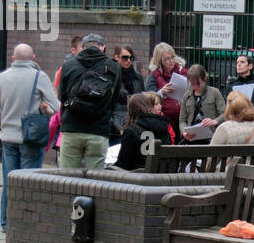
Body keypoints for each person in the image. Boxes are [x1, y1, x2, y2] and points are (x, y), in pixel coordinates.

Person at [0, 43, 59, 231]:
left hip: (8, 138)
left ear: (13, 59)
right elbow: (55, 107)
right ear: (34, 58)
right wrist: (43, 109)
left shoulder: (3, 77)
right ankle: (25, 224)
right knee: (28, 182)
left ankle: (6, 223)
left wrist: (3, 119)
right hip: (30, 139)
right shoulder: (39, 77)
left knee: (10, 182)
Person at [57, 32, 122, 169]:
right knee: (95, 183)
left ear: (83, 47)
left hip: (72, 128)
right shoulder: (113, 67)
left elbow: (62, 97)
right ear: (103, 47)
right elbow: (114, 99)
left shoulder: (69, 65)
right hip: (98, 130)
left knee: (67, 180)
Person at [115, 92, 171, 170]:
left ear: (131, 110)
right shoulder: (164, 128)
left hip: (138, 177)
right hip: (163, 177)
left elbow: (123, 163)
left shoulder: (132, 130)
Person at [145, 42, 186, 138]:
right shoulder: (154, 76)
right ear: (160, 61)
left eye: (172, 57)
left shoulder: (182, 72)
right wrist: (161, 93)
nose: (171, 61)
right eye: (167, 59)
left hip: (181, 118)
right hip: (163, 120)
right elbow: (148, 98)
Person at [178, 64, 223, 144]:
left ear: (204, 79)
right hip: (191, 138)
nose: (195, 87)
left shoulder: (215, 92)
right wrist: (184, 132)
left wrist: (215, 121)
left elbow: (224, 114)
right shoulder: (186, 95)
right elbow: (182, 119)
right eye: (192, 84)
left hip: (211, 138)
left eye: (198, 83)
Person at [111, 45, 145, 144]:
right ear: (116, 57)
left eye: (131, 58)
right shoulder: (112, 76)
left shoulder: (137, 77)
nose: (129, 61)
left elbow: (141, 97)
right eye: (125, 58)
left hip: (134, 122)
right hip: (115, 125)